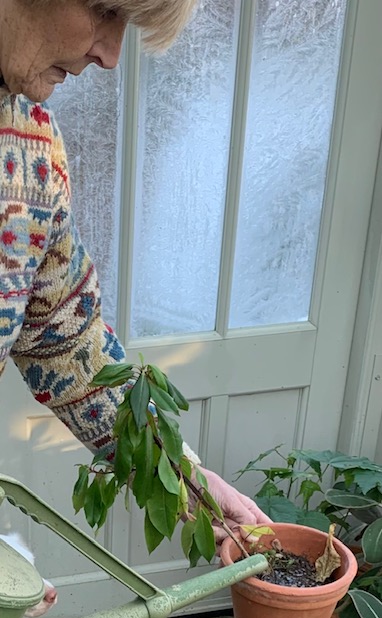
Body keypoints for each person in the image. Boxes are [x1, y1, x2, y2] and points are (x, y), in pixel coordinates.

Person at [0, 0, 271, 550]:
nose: (110, 54)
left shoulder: (31, 144)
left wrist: (186, 481)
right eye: (103, 10)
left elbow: (65, 342)